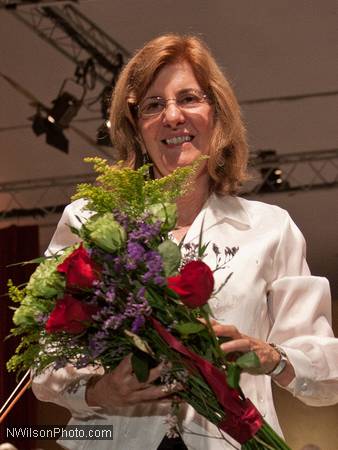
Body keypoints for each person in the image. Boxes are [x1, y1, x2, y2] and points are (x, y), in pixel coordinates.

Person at [32, 34, 338, 450]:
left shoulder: (270, 228)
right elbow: (45, 361)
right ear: (137, 129)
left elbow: (327, 377)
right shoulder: (90, 222)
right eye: (154, 105)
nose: (173, 116)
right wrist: (97, 392)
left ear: (217, 117)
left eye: (189, 98)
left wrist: (271, 356)